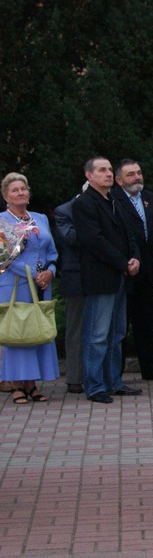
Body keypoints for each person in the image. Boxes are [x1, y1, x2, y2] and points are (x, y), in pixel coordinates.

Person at [73, 157, 143, 404]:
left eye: (110, 170)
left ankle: (114, 381)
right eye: (102, 170)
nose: (108, 174)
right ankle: (94, 386)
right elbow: (95, 241)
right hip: (101, 278)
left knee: (117, 334)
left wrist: (134, 257)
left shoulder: (114, 200)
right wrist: (123, 262)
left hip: (120, 277)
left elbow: (130, 234)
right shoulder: (84, 204)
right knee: (97, 335)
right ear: (89, 176)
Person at [110, 159, 153, 383]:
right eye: (130, 174)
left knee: (145, 321)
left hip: (148, 269)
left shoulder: (150, 198)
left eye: (139, 172)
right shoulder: (113, 200)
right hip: (125, 270)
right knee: (121, 323)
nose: (137, 177)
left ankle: (150, 367)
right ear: (118, 180)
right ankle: (116, 372)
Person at [0, 173, 59, 404]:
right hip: (15, 283)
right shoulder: (2, 221)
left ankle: (32, 384)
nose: (20, 193)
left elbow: (52, 251)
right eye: (15, 190)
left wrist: (50, 272)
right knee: (18, 332)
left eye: (23, 188)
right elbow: (3, 257)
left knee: (36, 330)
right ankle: (16, 384)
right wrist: (31, 274)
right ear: (6, 196)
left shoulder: (40, 218)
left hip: (42, 283)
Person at [53, 182, 88, 395]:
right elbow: (71, 238)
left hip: (103, 277)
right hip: (76, 277)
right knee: (76, 329)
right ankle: (74, 377)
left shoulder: (109, 207)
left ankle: (99, 376)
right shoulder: (64, 211)